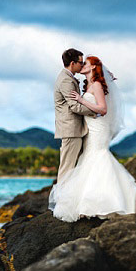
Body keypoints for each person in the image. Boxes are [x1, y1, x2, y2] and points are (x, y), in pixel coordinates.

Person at [48, 55, 136, 222]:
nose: (82, 65)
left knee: (98, 157)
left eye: (86, 63)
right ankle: (85, 203)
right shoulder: (89, 83)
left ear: (93, 67)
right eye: (81, 63)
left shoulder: (96, 85)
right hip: (90, 127)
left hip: (98, 127)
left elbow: (102, 109)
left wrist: (82, 100)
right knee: (89, 159)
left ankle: (105, 203)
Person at [53, 49, 95, 181]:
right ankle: (61, 200)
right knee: (67, 169)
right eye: (80, 63)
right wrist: (95, 111)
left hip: (74, 130)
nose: (82, 66)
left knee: (72, 168)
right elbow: (75, 107)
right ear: (72, 63)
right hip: (71, 130)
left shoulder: (67, 77)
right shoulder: (66, 80)